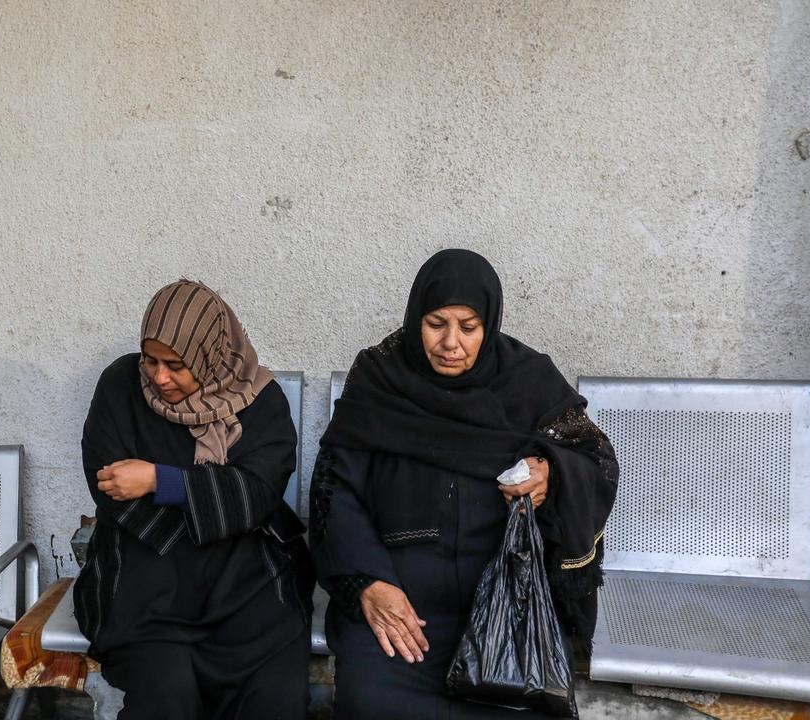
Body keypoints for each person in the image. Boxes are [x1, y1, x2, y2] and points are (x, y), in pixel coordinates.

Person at [310, 249, 618, 719]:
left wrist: (549, 472)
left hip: (505, 608)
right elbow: (335, 489)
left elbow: (594, 459)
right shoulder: (379, 378)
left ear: (488, 324)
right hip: (400, 611)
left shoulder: (527, 380)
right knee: (369, 703)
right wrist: (368, 584)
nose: (450, 342)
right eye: (436, 324)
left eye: (468, 327)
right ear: (416, 318)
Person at [74, 279, 313, 720]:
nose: (160, 377)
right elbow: (108, 481)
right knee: (166, 694)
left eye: (177, 365)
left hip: (246, 587)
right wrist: (214, 504)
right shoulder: (120, 387)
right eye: (151, 360)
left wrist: (159, 481)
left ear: (212, 356)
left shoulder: (260, 402)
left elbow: (258, 493)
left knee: (276, 694)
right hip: (146, 583)